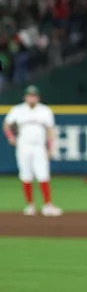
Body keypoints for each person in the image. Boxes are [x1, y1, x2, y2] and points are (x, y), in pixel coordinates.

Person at [3, 85, 62, 216]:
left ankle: (47, 205)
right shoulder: (18, 110)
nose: (31, 98)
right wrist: (10, 137)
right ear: (25, 97)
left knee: (43, 174)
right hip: (23, 146)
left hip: (39, 147)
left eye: (34, 96)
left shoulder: (45, 110)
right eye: (29, 95)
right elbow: (6, 125)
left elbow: (50, 130)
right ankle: (30, 205)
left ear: (38, 97)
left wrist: (51, 148)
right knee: (25, 175)